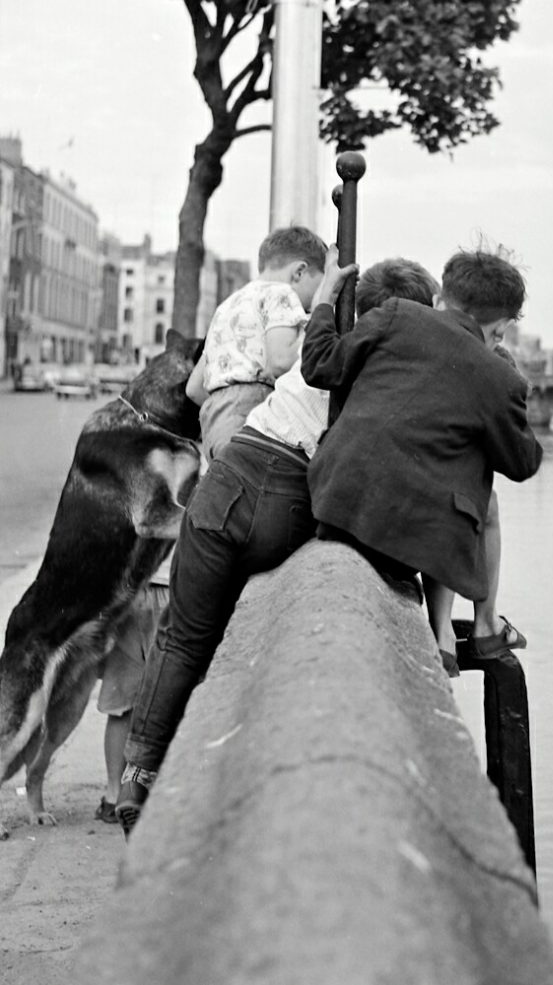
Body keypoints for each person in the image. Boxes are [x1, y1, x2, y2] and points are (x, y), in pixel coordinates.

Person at [114, 256, 439, 836]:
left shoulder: (326, 342)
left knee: (181, 637)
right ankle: (203, 781)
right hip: (286, 492)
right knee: (230, 642)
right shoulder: (388, 369)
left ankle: (138, 775)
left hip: (230, 472)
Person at [301, 245, 543, 673]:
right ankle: (476, 626)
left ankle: (459, 628)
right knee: (472, 451)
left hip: (331, 503)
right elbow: (522, 464)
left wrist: (324, 299)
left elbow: (321, 365)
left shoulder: (395, 314)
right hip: (408, 544)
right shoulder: (497, 375)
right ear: (499, 328)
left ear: (441, 297)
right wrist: (508, 386)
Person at [186, 226, 327, 462]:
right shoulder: (282, 293)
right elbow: (280, 363)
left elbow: (194, 388)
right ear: (300, 272)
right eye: (317, 288)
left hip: (214, 421)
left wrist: (224, 408)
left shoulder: (227, 306)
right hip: (252, 413)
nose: (311, 304)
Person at [92, 562, 170, 824]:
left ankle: (114, 795)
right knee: (177, 692)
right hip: (176, 584)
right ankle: (165, 789)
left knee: (121, 702)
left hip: (128, 590)